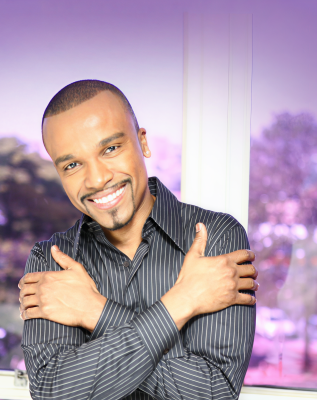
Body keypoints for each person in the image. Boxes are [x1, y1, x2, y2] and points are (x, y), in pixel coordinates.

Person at [18, 80, 259, 400]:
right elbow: (53, 392)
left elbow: (214, 392)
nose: (97, 179)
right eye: (72, 164)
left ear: (142, 142)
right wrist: (183, 301)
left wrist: (96, 312)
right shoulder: (50, 260)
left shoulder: (217, 237)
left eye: (110, 149)